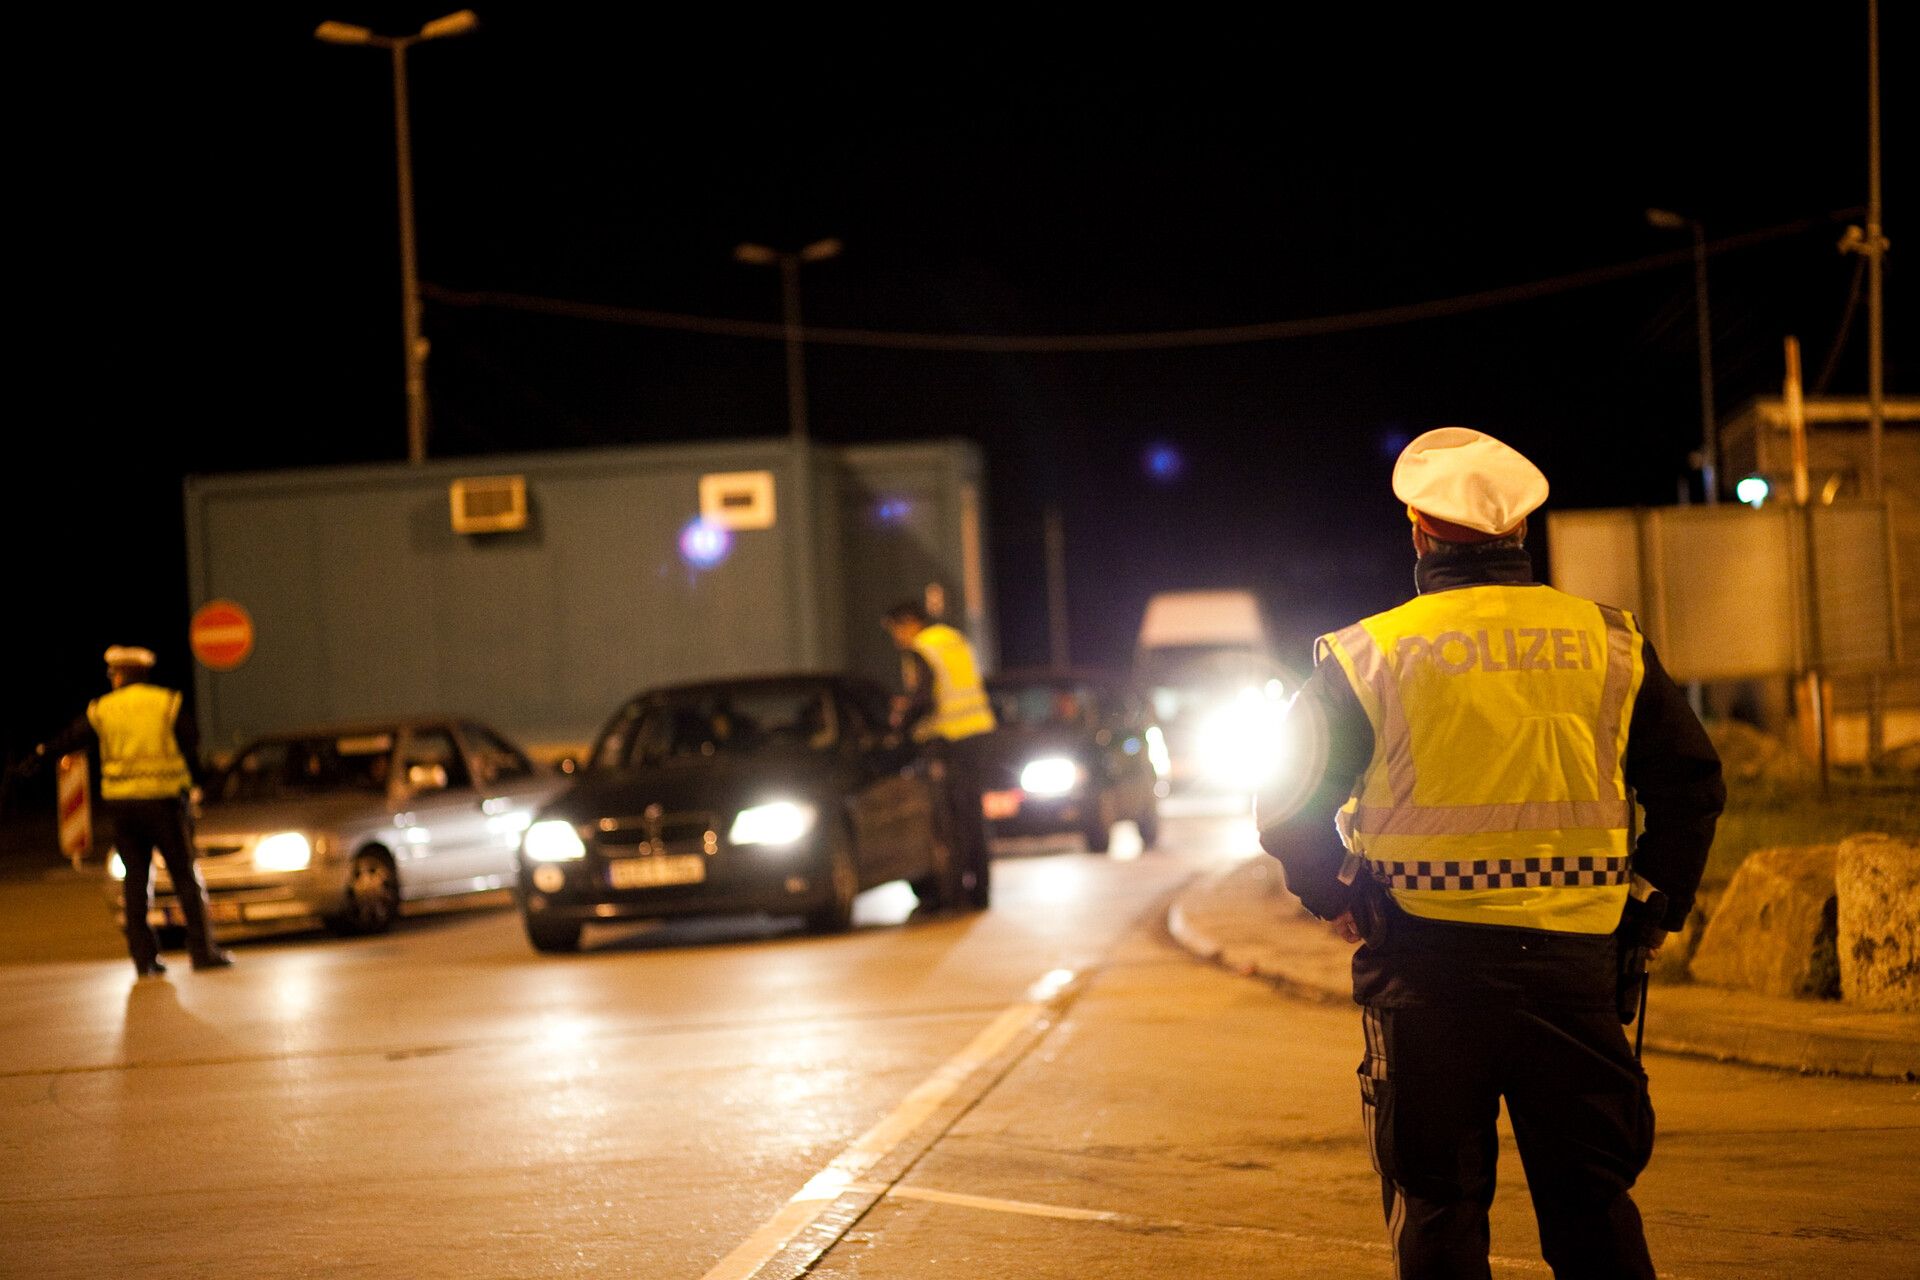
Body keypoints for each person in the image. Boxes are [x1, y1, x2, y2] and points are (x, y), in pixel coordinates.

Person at [1256, 428, 1723, 1279]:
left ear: (1418, 532)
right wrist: (1652, 905)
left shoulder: (1367, 655)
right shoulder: (1608, 641)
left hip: (1426, 975)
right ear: (1519, 533)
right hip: (1577, 973)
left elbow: (1285, 803)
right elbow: (1692, 784)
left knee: (1437, 1206)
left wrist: (1338, 894)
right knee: (1592, 1208)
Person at [35, 646, 234, 978]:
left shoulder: (103, 709)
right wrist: (198, 781)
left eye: (113, 674)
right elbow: (191, 740)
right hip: (164, 805)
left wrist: (42, 754)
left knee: (136, 882)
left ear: (121, 675)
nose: (111, 679)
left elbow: (72, 737)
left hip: (124, 809)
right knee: (185, 877)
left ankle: (144, 959)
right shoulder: (166, 702)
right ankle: (202, 951)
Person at [882, 600, 998, 908]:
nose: (895, 638)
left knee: (951, 821)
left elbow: (925, 699)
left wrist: (900, 727)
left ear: (908, 623)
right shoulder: (953, 638)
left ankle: (954, 895)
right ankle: (980, 892)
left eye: (894, 630)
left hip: (950, 740)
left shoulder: (923, 647)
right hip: (977, 732)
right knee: (973, 817)